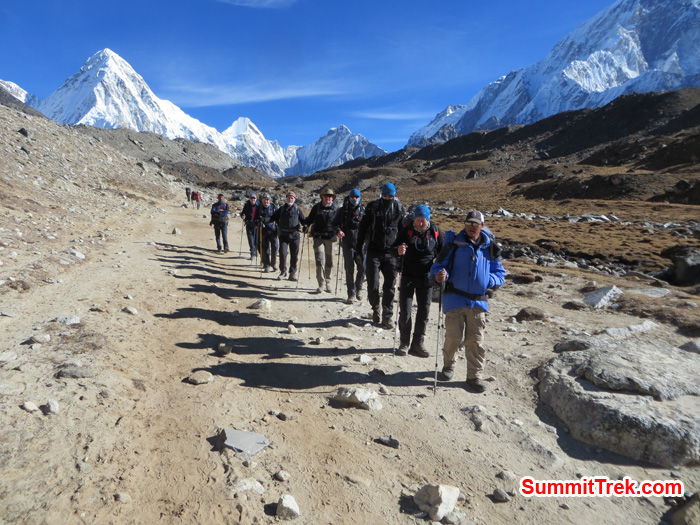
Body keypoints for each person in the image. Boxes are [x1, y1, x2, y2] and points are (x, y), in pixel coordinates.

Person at [429, 210, 506, 393]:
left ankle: (474, 376)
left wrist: (490, 280)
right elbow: (437, 266)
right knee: (453, 338)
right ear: (464, 224)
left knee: (475, 341)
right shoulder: (453, 245)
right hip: (454, 298)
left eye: (475, 223)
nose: (472, 227)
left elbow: (500, 273)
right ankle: (448, 366)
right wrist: (440, 275)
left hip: (478, 302)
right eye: (469, 223)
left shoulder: (490, 248)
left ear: (482, 226)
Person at [394, 205, 443, 357]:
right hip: (408, 275)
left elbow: (443, 253)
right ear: (414, 219)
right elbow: (393, 247)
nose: (420, 223)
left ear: (428, 219)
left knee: (424, 311)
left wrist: (441, 270)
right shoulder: (406, 231)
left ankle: (417, 344)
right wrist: (398, 250)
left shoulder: (435, 232)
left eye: (423, 220)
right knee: (405, 311)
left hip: (427, 278)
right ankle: (403, 343)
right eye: (418, 220)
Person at [356, 182, 404, 328]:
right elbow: (363, 227)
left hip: (392, 253)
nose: (387, 197)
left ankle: (387, 315)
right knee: (373, 283)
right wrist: (358, 248)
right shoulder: (372, 207)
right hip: (373, 251)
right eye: (385, 195)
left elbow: (403, 231)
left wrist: (402, 254)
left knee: (390, 285)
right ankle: (375, 308)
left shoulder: (399, 208)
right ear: (381, 194)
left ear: (394, 195)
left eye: (390, 195)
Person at [334, 188, 365, 303]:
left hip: (360, 245)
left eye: (357, 197)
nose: (355, 199)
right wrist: (338, 230)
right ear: (349, 198)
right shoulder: (343, 211)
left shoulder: (363, 211)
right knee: (349, 269)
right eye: (353, 197)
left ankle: (358, 288)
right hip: (347, 244)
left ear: (359, 198)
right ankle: (351, 293)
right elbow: (334, 223)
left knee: (362, 268)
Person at [305, 188, 339, 293]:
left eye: (330, 196)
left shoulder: (336, 209)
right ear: (322, 197)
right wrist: (306, 225)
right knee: (319, 260)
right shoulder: (316, 208)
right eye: (326, 196)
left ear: (332, 198)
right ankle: (321, 284)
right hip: (318, 237)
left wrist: (340, 231)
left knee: (329, 261)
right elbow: (309, 219)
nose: (328, 198)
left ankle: (328, 282)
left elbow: (339, 223)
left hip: (331, 238)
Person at [271, 190, 306, 281]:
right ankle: (283, 272)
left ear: (294, 199)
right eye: (289, 197)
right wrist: (263, 219)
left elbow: (303, 221)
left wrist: (306, 226)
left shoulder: (298, 210)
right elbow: (273, 218)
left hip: (295, 235)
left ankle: (292, 274)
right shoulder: (281, 209)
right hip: (283, 235)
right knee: (282, 254)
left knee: (294, 255)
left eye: (292, 197)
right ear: (286, 198)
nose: (291, 198)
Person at [255, 194, 278, 272]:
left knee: (275, 247)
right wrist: (258, 222)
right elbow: (255, 219)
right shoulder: (259, 208)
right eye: (265, 200)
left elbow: (277, 217)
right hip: (263, 230)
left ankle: (274, 263)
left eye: (267, 200)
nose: (266, 201)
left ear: (270, 200)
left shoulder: (274, 207)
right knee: (265, 248)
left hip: (273, 230)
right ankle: (266, 265)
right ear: (262, 200)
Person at [240, 193, 259, 260]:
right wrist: (242, 216)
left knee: (256, 240)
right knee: (251, 240)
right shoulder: (247, 205)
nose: (253, 199)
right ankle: (252, 253)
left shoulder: (258, 206)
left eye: (254, 198)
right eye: (251, 198)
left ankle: (255, 250)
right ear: (249, 199)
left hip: (256, 226)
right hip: (249, 225)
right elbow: (243, 213)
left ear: (256, 199)